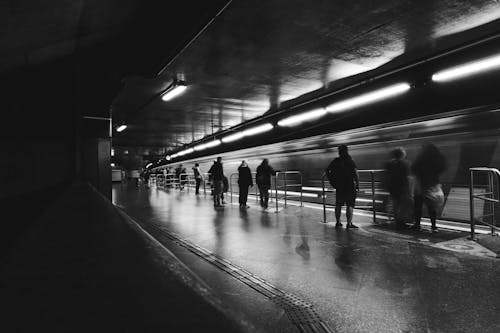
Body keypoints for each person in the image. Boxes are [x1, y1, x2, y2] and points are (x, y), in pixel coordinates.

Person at [411, 144, 447, 233]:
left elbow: (413, 168)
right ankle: (434, 226)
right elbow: (443, 168)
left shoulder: (421, 158)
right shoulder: (438, 158)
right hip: (433, 184)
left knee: (418, 207)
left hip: (421, 185)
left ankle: (417, 224)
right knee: (432, 207)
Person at [325, 145, 359, 229]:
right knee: (350, 205)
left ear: (339, 152)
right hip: (349, 186)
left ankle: (338, 222)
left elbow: (327, 170)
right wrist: (358, 183)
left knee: (338, 204)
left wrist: (332, 181)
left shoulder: (336, 161)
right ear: (346, 151)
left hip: (339, 186)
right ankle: (349, 223)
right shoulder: (350, 160)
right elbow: (356, 173)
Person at [384, 147, 412, 228]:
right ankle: (401, 221)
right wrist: (408, 188)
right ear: (402, 154)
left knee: (396, 204)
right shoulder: (405, 163)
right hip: (402, 187)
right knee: (403, 205)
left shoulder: (389, 163)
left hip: (392, 187)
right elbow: (406, 177)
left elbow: (387, 175)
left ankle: (397, 221)